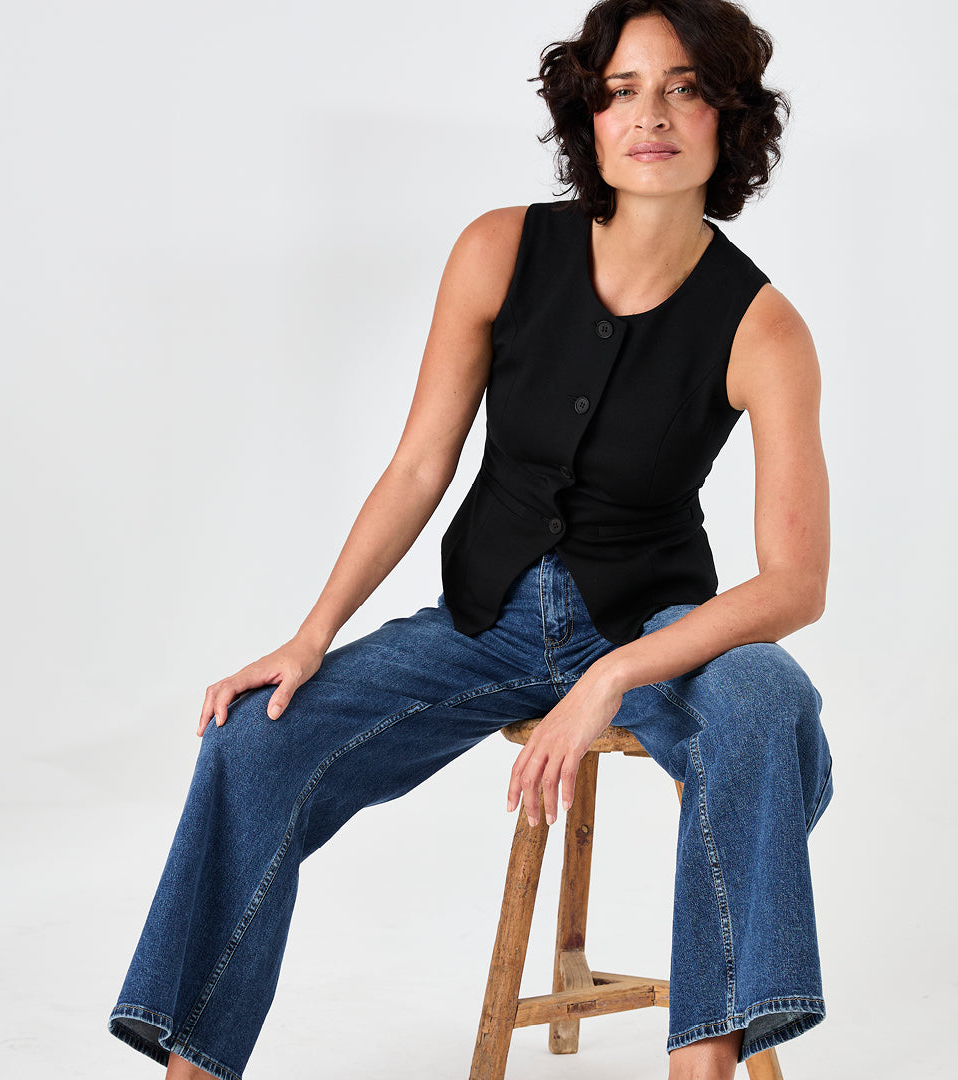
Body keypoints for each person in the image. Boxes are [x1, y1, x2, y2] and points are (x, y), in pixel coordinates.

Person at [108, 1, 834, 1078]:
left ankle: (705, 1064)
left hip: (651, 629)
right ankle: (192, 1068)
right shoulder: (499, 249)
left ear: (729, 118)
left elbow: (795, 585)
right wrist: (311, 636)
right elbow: (419, 466)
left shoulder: (763, 328)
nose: (650, 115)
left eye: (683, 88)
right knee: (252, 739)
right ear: (589, 119)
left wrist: (612, 677)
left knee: (766, 698)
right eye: (622, 91)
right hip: (483, 624)